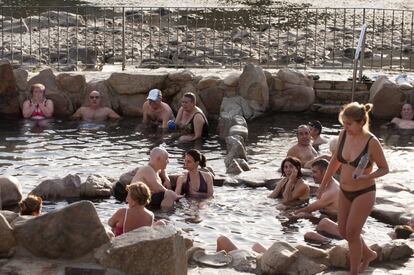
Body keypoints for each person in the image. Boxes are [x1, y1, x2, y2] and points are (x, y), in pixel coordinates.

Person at [318, 102, 389, 275]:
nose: (345, 127)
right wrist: (324, 183)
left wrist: (367, 176)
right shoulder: (343, 134)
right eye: (344, 124)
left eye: (349, 124)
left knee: (352, 232)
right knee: (343, 231)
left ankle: (354, 272)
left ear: (360, 122)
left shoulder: (371, 142)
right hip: (344, 190)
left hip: (364, 192)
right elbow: (335, 161)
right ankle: (369, 254)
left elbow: (384, 168)